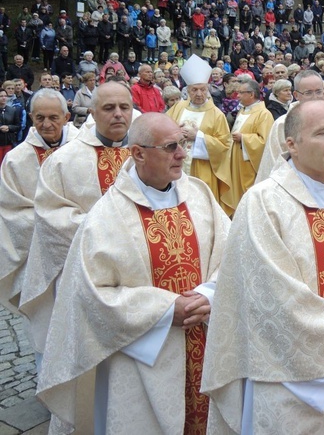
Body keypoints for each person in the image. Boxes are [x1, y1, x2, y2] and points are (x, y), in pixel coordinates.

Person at [201, 100, 324, 434]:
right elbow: (275, 297)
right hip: (292, 380)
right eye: (323, 132)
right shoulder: (264, 202)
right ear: (290, 144)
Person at [37, 112, 229, 434]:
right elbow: (91, 293)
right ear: (138, 153)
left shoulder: (199, 195)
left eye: (182, 143)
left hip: (206, 344)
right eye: (171, 147)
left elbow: (232, 254)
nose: (183, 153)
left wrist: (208, 294)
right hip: (143, 360)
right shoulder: (106, 216)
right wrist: (167, 310)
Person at [20, 82, 134, 362]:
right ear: (92, 112)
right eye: (109, 108)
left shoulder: (145, 153)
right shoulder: (64, 161)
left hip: (135, 270)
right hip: (83, 269)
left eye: (124, 107)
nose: (118, 114)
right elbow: (51, 218)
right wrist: (110, 231)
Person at [0, 90, 79, 312]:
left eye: (54, 118)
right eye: (39, 117)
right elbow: (10, 211)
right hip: (39, 254)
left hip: (83, 247)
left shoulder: (84, 150)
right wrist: (54, 228)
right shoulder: (16, 160)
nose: (46, 124)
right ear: (31, 117)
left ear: (66, 117)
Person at [167, 55, 231, 212]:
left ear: (207, 89)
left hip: (202, 170)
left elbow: (225, 145)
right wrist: (176, 133)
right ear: (187, 90)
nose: (199, 93)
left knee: (200, 210)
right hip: (176, 167)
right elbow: (162, 131)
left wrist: (199, 137)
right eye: (194, 89)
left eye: (203, 89)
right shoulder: (178, 107)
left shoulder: (217, 114)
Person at [255, 70, 324, 183]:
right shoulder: (282, 125)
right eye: (308, 93)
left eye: (318, 91)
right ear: (296, 95)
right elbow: (273, 164)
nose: (315, 97)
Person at [221, 78, 274, 216]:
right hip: (236, 160)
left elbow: (264, 142)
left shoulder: (264, 114)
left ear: (251, 94)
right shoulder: (243, 111)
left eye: (240, 93)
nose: (237, 96)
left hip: (249, 165)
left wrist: (244, 138)